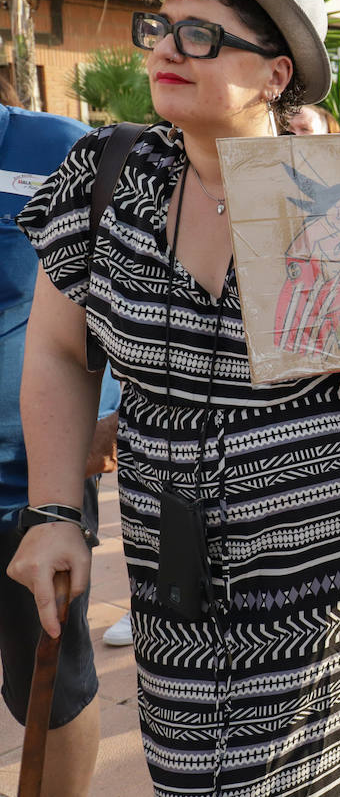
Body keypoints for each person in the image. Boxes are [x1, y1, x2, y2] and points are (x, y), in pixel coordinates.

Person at [10, 0, 340, 795]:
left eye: (201, 35)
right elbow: (57, 349)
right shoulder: (106, 175)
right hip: (183, 597)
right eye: (161, 27)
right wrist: (54, 511)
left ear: (277, 75)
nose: (166, 48)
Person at [0, 87, 112, 794]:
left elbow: (111, 305)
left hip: (32, 488)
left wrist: (112, 420)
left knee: (49, 690)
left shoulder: (60, 149)